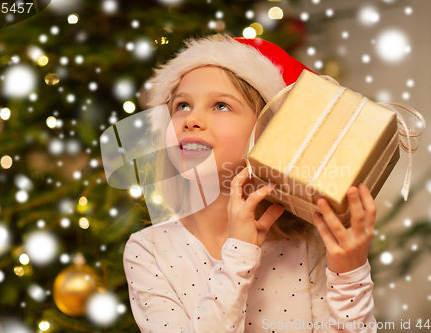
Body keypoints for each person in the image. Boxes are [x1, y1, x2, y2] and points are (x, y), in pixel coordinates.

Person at [123, 33, 378, 333]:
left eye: (220, 106)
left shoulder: (309, 246)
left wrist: (350, 275)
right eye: (182, 106)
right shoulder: (148, 250)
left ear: (267, 131)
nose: (191, 120)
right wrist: (239, 255)